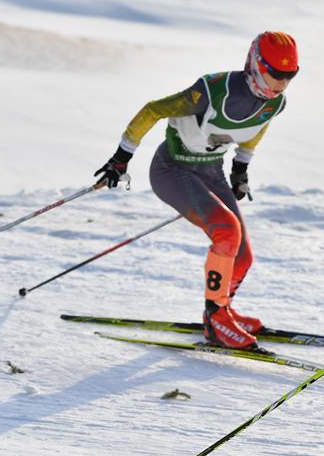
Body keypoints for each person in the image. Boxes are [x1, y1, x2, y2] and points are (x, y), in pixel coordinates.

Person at [94, 31, 299, 349]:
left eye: (289, 75)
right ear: (256, 65)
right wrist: (121, 158)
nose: (281, 83)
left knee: (242, 256)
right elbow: (152, 110)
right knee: (227, 232)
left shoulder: (276, 104)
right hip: (173, 170)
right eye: (275, 74)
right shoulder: (212, 90)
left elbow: (255, 131)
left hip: (211, 171)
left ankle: (223, 311)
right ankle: (215, 319)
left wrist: (240, 168)